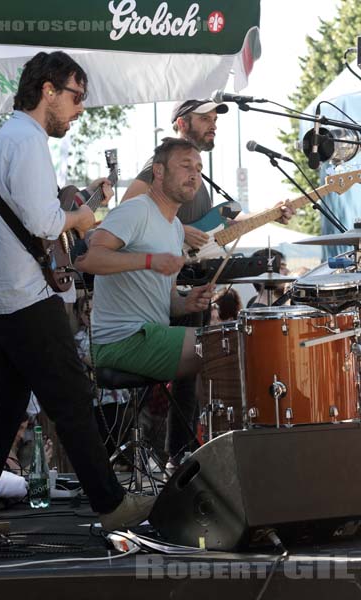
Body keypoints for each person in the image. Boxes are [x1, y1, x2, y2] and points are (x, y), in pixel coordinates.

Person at [0, 50, 154, 530]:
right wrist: (79, 217)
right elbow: (42, 222)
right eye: (76, 97)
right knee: (73, 399)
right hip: (24, 296)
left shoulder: (5, 139)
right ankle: (112, 505)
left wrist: (75, 207)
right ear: (48, 89)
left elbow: (31, 219)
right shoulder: (28, 140)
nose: (79, 110)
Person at [122, 99, 295, 467]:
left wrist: (274, 213)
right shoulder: (160, 166)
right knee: (170, 371)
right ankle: (152, 453)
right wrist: (177, 227)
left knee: (191, 371)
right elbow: (129, 207)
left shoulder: (200, 177)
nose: (213, 124)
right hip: (164, 284)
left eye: (215, 118)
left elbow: (226, 219)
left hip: (190, 282)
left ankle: (178, 454)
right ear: (182, 124)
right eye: (205, 118)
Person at [75, 138, 214, 465]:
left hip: (149, 334)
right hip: (121, 341)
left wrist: (187, 302)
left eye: (198, 169)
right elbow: (89, 261)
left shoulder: (174, 228)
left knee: (225, 345)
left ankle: (193, 453)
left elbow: (166, 304)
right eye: (185, 166)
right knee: (222, 348)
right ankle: (206, 454)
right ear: (159, 172)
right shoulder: (136, 211)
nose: (194, 174)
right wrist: (149, 261)